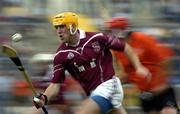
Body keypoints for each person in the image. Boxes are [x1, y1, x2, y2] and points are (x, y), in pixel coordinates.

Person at [32, 12, 151, 114]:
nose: (58, 31)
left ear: (73, 26)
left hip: (109, 86)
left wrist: (139, 67)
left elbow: (125, 47)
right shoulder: (60, 55)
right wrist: (45, 98)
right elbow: (54, 85)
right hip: (93, 94)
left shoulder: (98, 38)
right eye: (56, 27)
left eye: (62, 27)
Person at [105, 17, 179, 114]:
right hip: (144, 93)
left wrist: (164, 81)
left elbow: (165, 59)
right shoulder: (118, 49)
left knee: (169, 112)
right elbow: (128, 73)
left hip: (161, 91)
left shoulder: (143, 39)